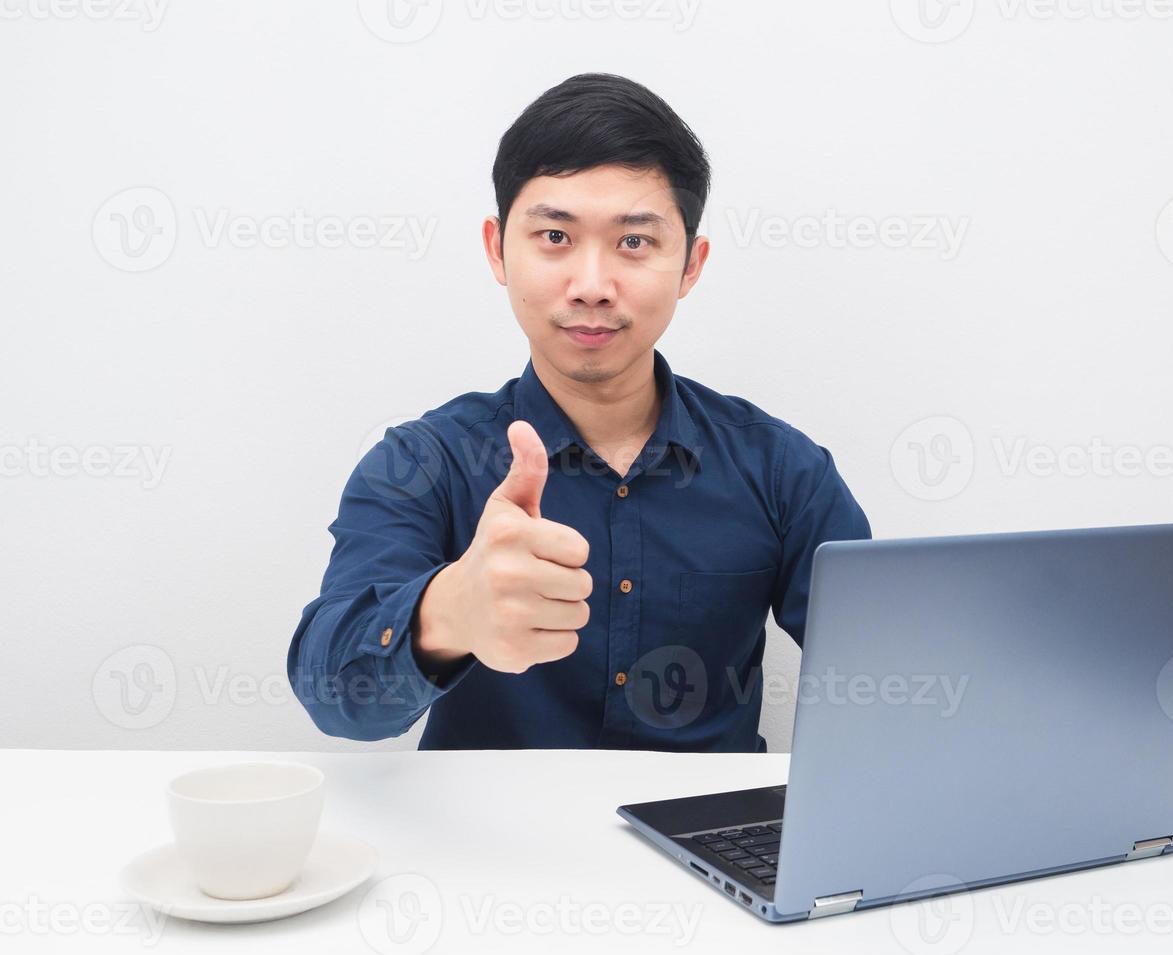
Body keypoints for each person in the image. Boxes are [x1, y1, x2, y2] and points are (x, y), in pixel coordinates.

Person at [287, 73, 871, 751]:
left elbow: (892, 670)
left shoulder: (779, 468)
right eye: (555, 237)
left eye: (633, 243)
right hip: (486, 849)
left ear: (690, 266)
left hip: (704, 844)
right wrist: (449, 611)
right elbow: (334, 698)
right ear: (497, 248)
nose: (592, 287)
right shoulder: (423, 463)